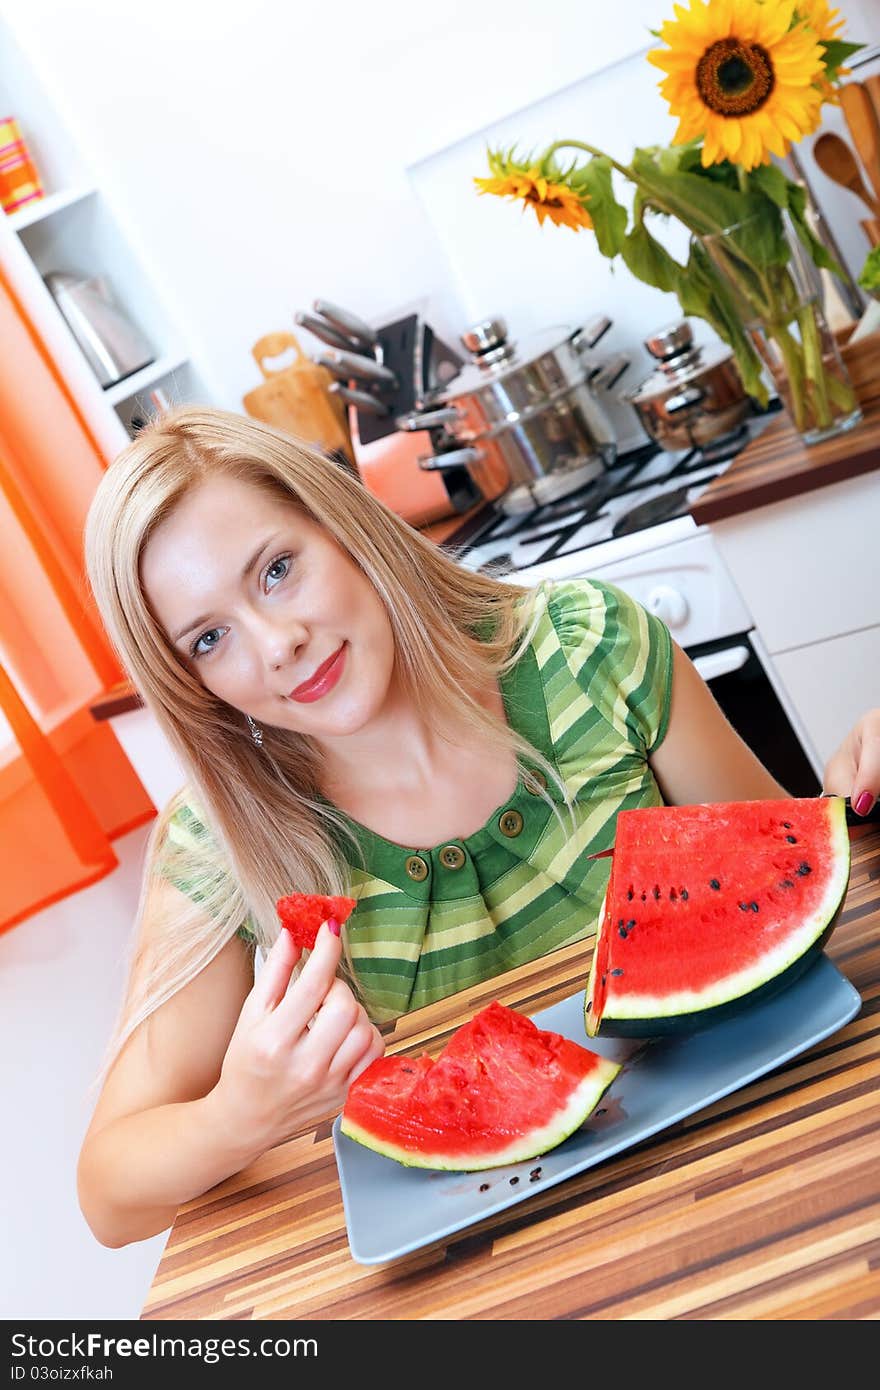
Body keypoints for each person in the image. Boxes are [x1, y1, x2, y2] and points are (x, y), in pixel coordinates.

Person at [76, 405, 879, 1249]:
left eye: (277, 570)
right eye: (209, 638)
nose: (277, 645)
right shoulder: (228, 842)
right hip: (508, 1259)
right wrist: (237, 1117)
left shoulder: (590, 653)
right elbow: (109, 1195)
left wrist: (852, 801)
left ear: (340, 523)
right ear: (190, 683)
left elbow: (779, 886)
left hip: (767, 1155)